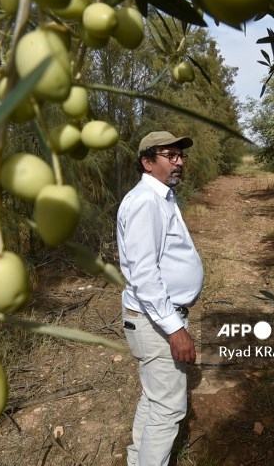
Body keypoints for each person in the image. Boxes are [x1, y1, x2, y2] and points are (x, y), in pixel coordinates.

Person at [116, 131, 204, 466]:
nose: (179, 162)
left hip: (157, 317)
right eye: (170, 155)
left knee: (155, 400)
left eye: (181, 155)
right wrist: (174, 329)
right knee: (168, 408)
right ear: (148, 162)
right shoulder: (145, 201)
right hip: (155, 321)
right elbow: (144, 275)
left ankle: (138, 460)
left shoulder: (161, 196)